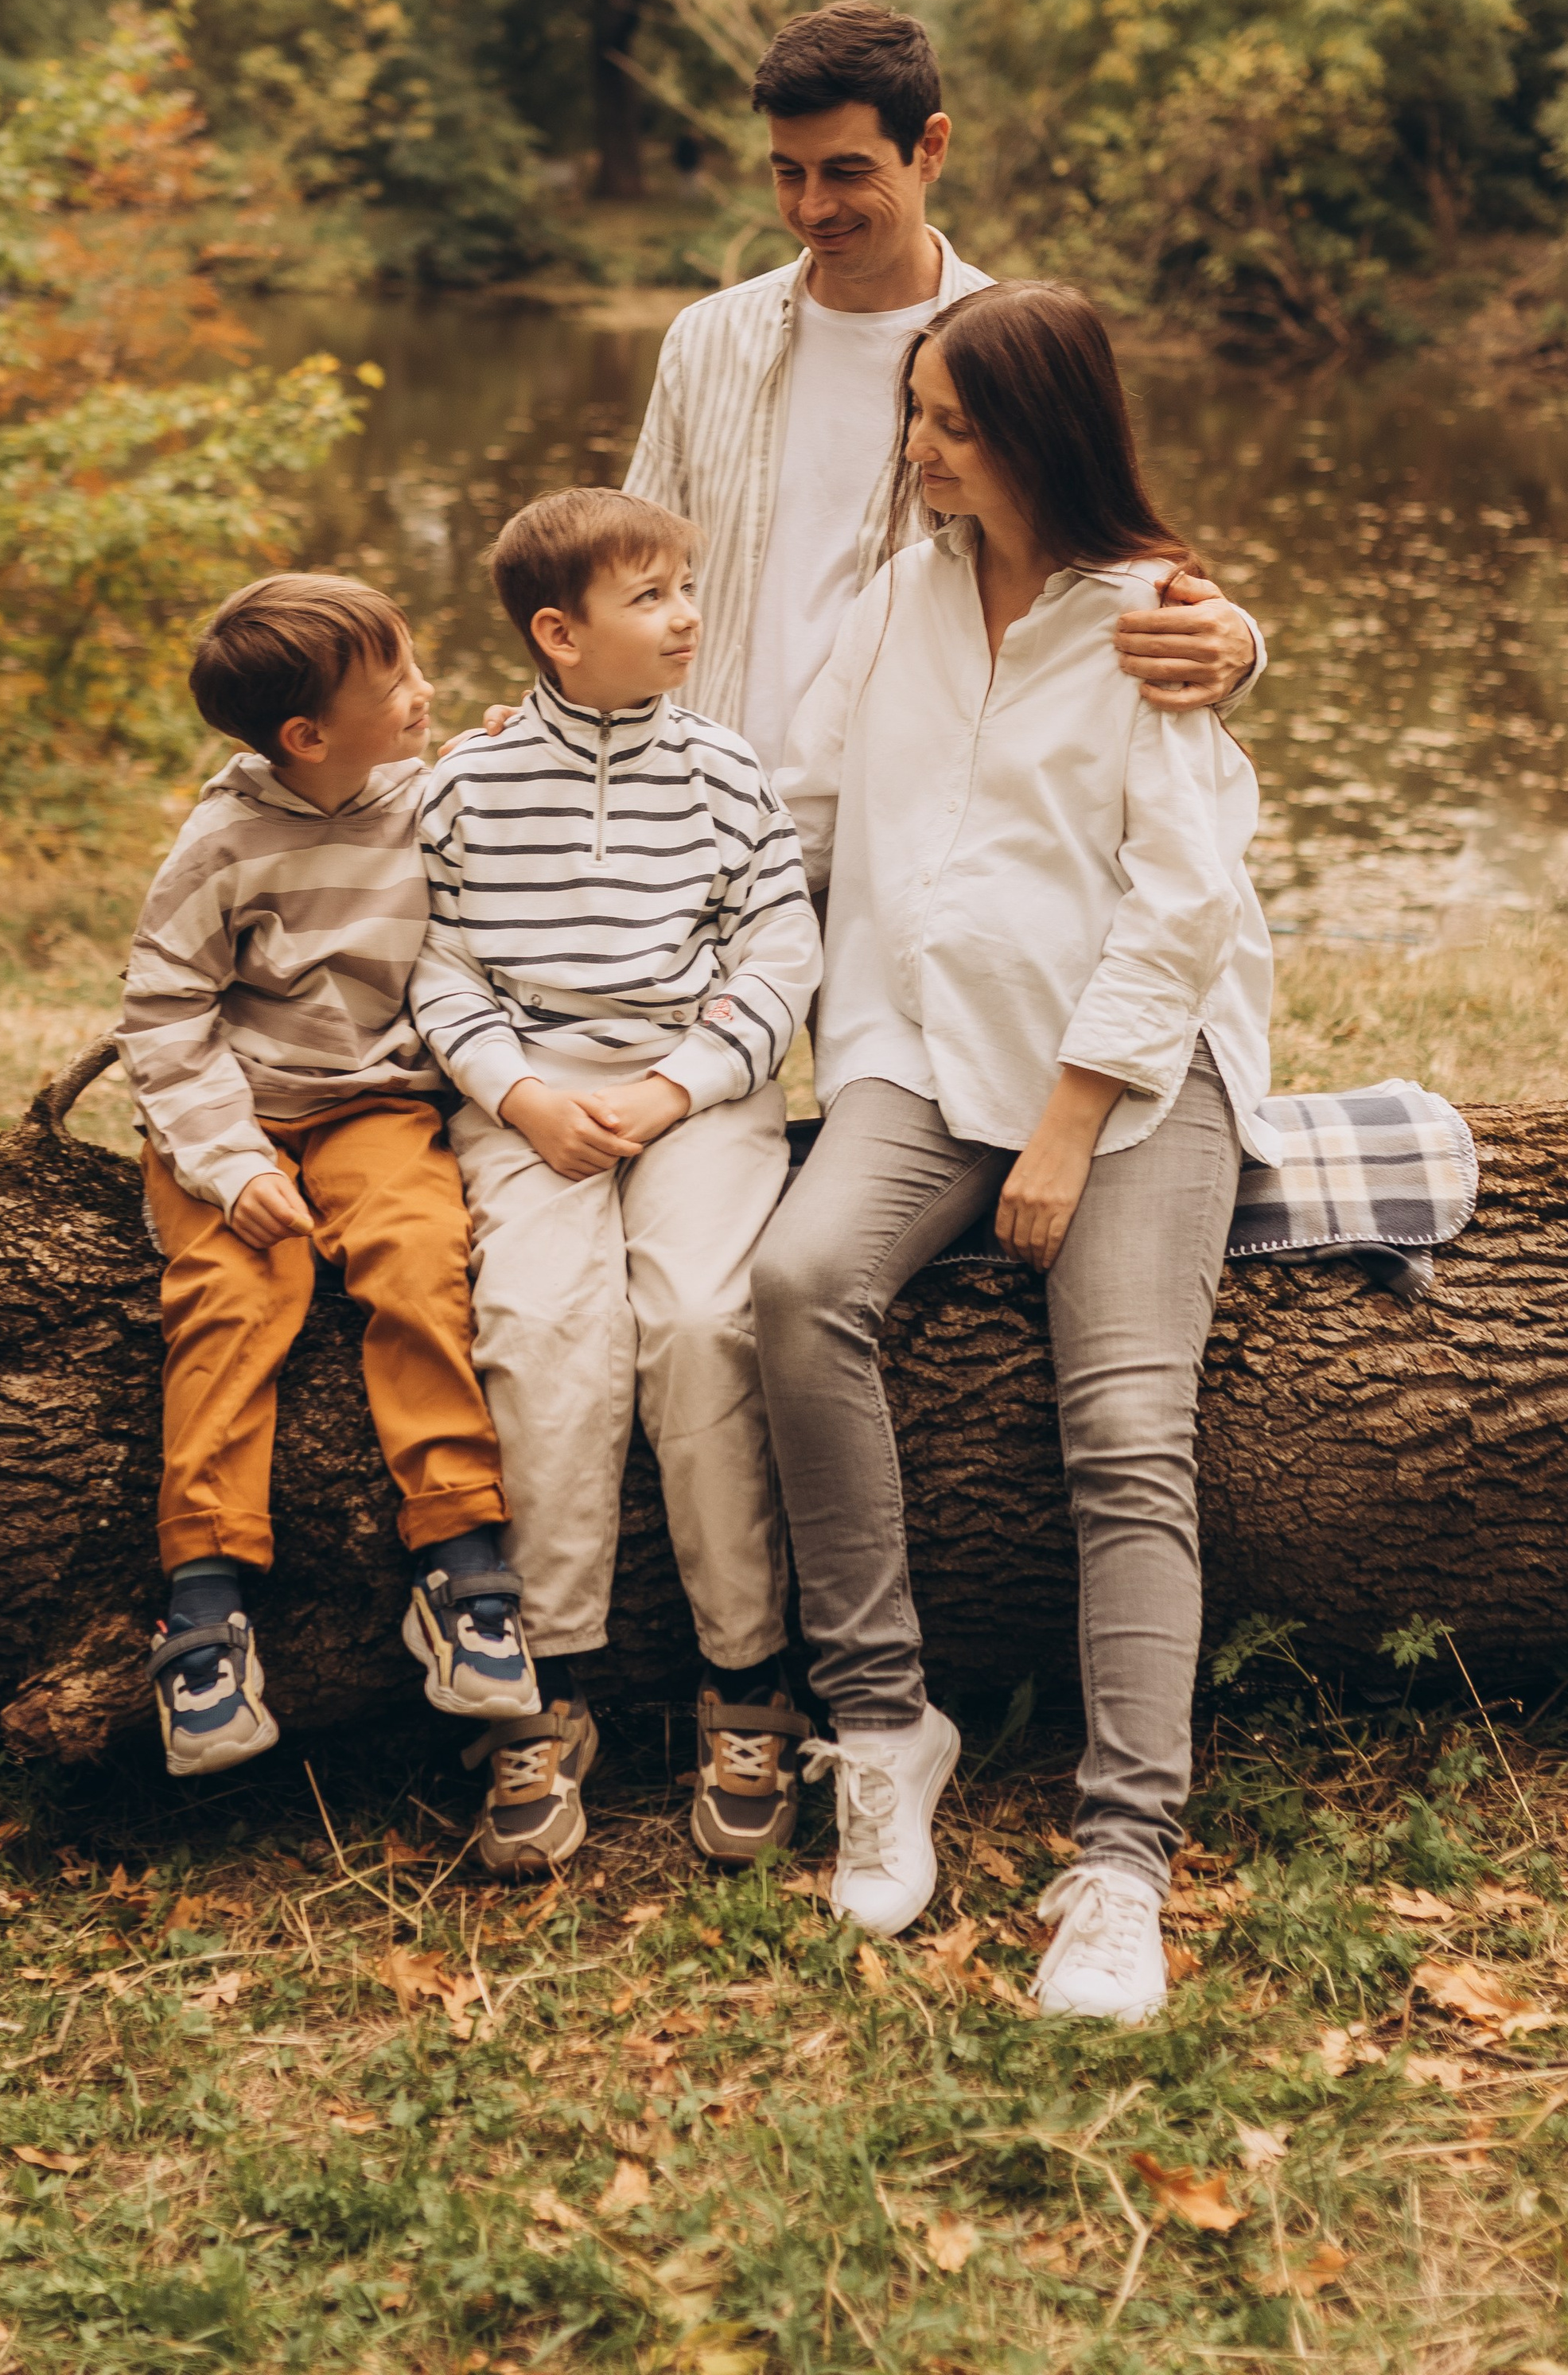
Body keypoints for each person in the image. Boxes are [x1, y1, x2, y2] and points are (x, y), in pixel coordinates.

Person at [752, 282, 1278, 2021]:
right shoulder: (897, 598)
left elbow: (1183, 901)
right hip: (913, 1049)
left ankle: (1120, 1862)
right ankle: (887, 1724)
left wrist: (1064, 1132)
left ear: (1035, 435)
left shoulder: (1148, 622)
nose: (915, 448)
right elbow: (802, 806)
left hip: (1124, 1073)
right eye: (914, 414)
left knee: (1122, 1424)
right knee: (798, 1280)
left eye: (949, 424)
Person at [412, 490, 823, 1875]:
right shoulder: (462, 789)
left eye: (687, 586)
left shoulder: (726, 772)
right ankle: (546, 1692)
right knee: (535, 1328)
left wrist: (673, 1088)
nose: (687, 616)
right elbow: (437, 970)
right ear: (555, 633)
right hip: (527, 1104)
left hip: (696, 1092)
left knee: (705, 1321)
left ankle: (748, 1677)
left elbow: (779, 956)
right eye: (649, 597)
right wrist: (522, 1096)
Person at [119, 572, 537, 1778]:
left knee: (418, 1258)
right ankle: (203, 1604)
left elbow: (456, 766)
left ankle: (462, 1564)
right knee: (237, 1297)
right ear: (306, 738)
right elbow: (163, 1012)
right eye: (396, 680)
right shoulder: (223, 842)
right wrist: (229, 1162)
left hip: (374, 1103)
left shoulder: (424, 792)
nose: (424, 690)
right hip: (233, 1117)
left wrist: (501, 749)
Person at [624, 0, 1264, 766]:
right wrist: (549, 723)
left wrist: (1240, 647)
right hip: (702, 822)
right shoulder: (707, 339)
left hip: (902, 833)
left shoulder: (1017, 354)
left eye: (848, 171)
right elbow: (625, 573)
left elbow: (1106, 557)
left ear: (930, 147)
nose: (812, 206)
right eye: (788, 172)